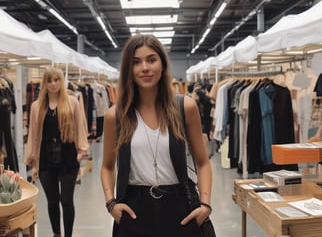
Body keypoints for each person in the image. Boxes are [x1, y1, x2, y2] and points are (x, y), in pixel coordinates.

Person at [100, 34, 213, 237]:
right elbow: (107, 167)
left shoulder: (184, 107)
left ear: (162, 64)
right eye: (136, 62)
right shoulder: (116, 116)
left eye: (151, 59)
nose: (144, 67)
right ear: (128, 69)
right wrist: (111, 204)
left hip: (181, 206)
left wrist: (205, 204)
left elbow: (203, 162)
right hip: (134, 209)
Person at [24, 67, 89, 237]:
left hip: (68, 157)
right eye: (49, 80)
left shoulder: (72, 102)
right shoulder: (37, 106)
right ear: (44, 83)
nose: (53, 84)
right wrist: (34, 162)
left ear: (61, 81)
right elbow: (33, 134)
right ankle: (56, 233)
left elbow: (80, 127)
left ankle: (68, 235)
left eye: (56, 79)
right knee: (52, 200)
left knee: (66, 201)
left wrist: (81, 152)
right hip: (45, 158)